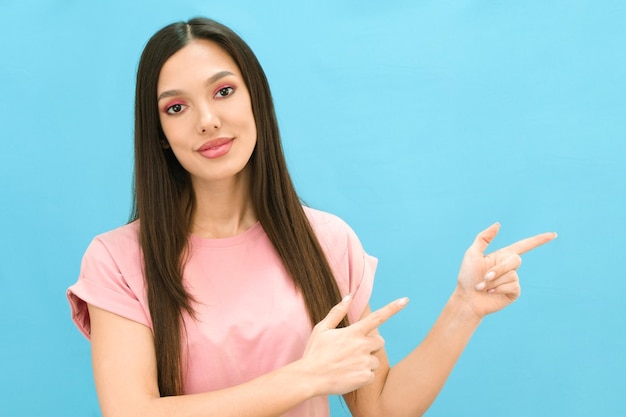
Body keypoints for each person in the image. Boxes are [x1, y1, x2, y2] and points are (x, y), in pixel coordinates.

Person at [67, 17, 556, 417]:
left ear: (256, 97)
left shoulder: (325, 240)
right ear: (159, 132)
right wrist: (305, 377)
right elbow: (130, 411)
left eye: (223, 92)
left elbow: (380, 408)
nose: (207, 120)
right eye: (176, 107)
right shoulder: (118, 260)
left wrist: (464, 308)